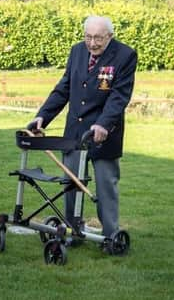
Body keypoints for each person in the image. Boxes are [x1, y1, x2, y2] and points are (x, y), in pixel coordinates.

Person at [29, 15, 137, 244]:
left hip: (104, 133)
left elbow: (119, 96)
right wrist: (42, 117)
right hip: (75, 132)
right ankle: (73, 231)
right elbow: (63, 88)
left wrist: (104, 123)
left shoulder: (125, 55)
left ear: (110, 36)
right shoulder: (77, 51)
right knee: (71, 184)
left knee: (106, 185)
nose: (92, 43)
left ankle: (111, 237)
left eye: (98, 38)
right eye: (88, 37)